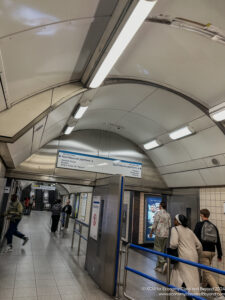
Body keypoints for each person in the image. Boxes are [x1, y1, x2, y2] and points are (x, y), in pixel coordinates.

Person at [170, 215, 202, 299]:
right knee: (192, 277)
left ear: (178, 221)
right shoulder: (190, 231)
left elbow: (173, 244)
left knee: (179, 276)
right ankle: (193, 296)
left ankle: (178, 295)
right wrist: (197, 254)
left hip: (183, 256)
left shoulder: (175, 229)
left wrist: (172, 249)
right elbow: (199, 245)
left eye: (175, 220)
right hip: (193, 256)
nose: (174, 221)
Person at [194, 209, 224, 299]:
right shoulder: (213, 226)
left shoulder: (199, 225)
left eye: (200, 214)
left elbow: (194, 238)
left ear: (202, 215)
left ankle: (219, 295)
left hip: (203, 252)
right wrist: (219, 254)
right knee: (205, 269)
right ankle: (203, 286)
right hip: (212, 252)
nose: (200, 215)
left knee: (207, 274)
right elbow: (218, 241)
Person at [150, 201, 171, 273]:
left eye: (159, 205)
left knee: (156, 248)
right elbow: (169, 225)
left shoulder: (158, 213)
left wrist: (151, 232)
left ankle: (163, 262)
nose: (158, 206)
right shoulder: (168, 214)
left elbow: (155, 223)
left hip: (159, 234)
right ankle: (158, 267)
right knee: (161, 250)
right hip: (166, 234)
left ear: (161, 206)